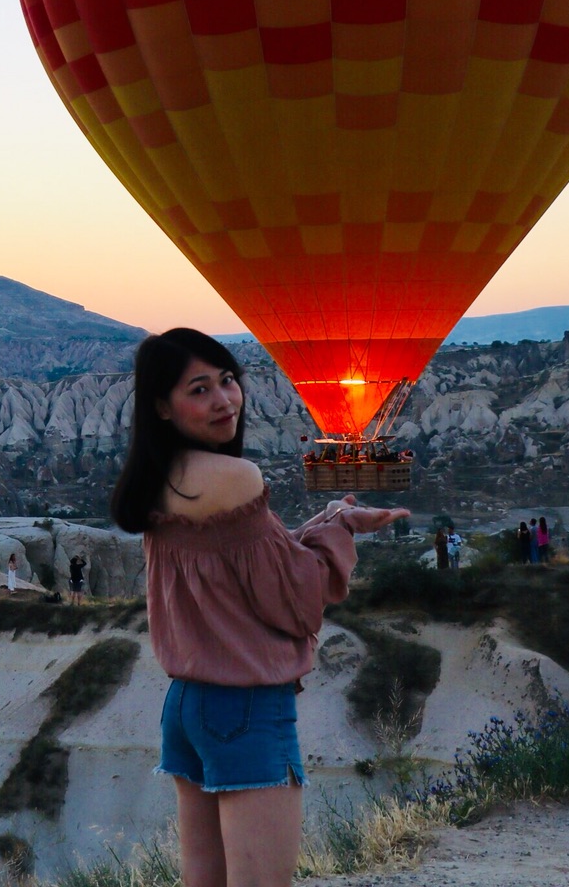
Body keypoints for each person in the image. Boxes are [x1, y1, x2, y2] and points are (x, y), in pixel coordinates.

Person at [111, 328, 404, 887]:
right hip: (246, 708)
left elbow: (243, 569)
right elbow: (293, 599)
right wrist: (340, 535)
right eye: (199, 389)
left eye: (227, 381)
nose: (224, 400)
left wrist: (326, 522)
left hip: (186, 705)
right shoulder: (234, 478)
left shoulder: (156, 482)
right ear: (161, 406)